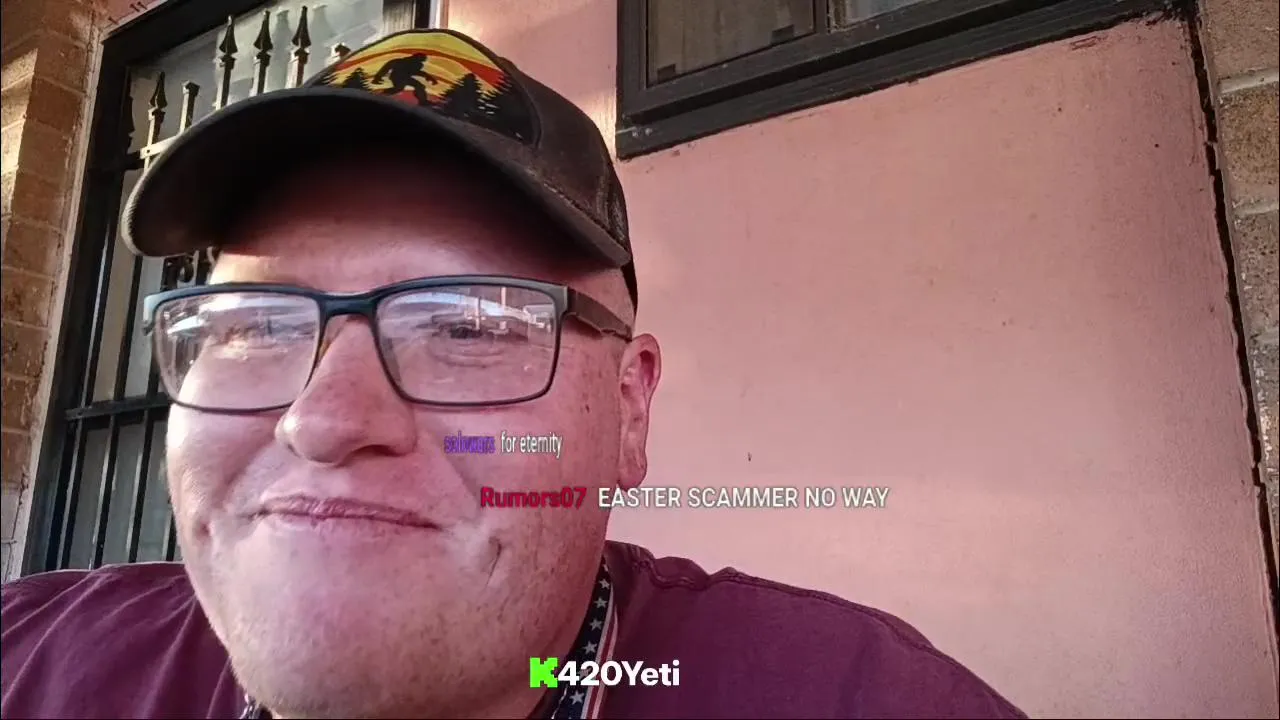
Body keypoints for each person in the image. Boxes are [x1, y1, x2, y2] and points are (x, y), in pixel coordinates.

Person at [0, 29, 1025, 720]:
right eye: (251, 326)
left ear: (629, 411)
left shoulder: (847, 698)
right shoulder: (32, 661)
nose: (325, 419)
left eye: (467, 324)